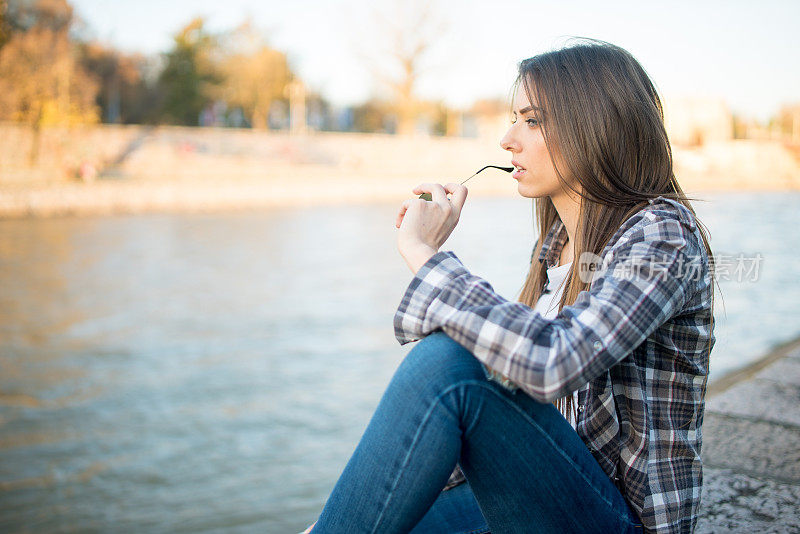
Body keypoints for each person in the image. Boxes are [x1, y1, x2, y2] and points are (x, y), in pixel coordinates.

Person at [300, 38, 716, 534]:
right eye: (513, 117)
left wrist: (424, 255)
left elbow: (554, 360)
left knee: (448, 365)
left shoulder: (663, 236)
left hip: (620, 521)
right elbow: (513, 399)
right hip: (545, 491)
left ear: (595, 124)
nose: (507, 138)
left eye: (532, 120)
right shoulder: (557, 245)